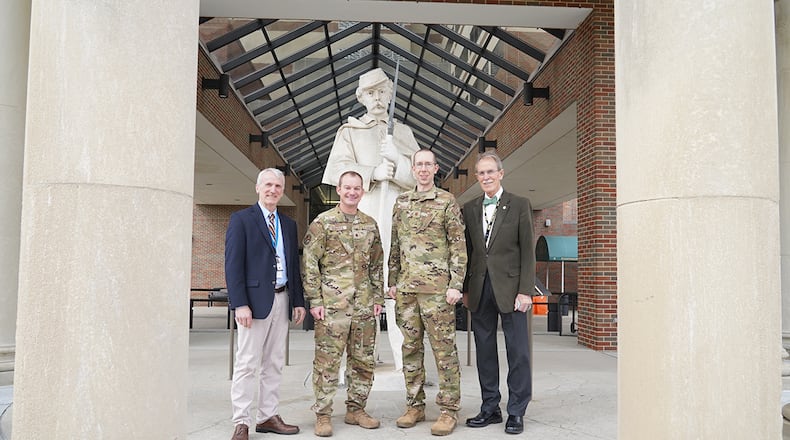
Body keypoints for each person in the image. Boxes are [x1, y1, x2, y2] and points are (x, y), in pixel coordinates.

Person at [322, 67, 420, 372]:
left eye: (382, 92)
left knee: (396, 286)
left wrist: (399, 162)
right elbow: (336, 171)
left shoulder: (402, 133)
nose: (377, 99)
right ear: (361, 97)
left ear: (390, 95)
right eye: (371, 93)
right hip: (363, 219)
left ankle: (405, 362)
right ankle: (355, 363)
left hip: (397, 218)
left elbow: (419, 177)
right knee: (360, 286)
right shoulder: (349, 132)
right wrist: (371, 173)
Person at [387, 149, 467, 436]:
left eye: (427, 165)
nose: (422, 169)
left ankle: (448, 409)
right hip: (407, 291)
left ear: (435, 169)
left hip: (438, 292)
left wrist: (456, 284)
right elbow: (395, 244)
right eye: (418, 164)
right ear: (413, 168)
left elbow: (458, 245)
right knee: (410, 349)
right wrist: (392, 280)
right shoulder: (402, 202)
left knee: (444, 351)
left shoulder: (446, 201)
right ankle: (415, 405)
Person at [224, 168, 306, 440]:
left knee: (274, 362)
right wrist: (240, 304)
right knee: (247, 363)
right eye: (268, 185)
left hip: (282, 299)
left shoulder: (289, 224)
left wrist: (297, 300)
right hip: (254, 304)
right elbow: (233, 265)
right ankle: (242, 422)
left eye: (278, 186)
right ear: (258, 187)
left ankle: (268, 416)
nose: (273, 190)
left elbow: (293, 265)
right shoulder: (241, 220)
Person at [302, 171, 385, 437]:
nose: (352, 192)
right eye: (347, 187)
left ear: (362, 191)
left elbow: (376, 265)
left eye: (356, 188)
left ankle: (356, 409)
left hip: (363, 305)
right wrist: (315, 299)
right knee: (328, 362)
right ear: (338, 189)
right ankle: (323, 414)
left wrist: (377, 298)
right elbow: (310, 263)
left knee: (362, 361)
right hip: (332, 305)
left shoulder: (370, 224)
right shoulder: (323, 223)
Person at [461, 152, 536, 435]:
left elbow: (528, 252)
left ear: (501, 174)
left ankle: (516, 410)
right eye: (481, 173)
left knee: (518, 352)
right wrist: (467, 289)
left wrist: (525, 291)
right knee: (485, 352)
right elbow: (467, 252)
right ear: (477, 177)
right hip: (480, 289)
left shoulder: (519, 205)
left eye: (491, 172)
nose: (486, 177)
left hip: (512, 290)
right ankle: (489, 407)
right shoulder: (469, 208)